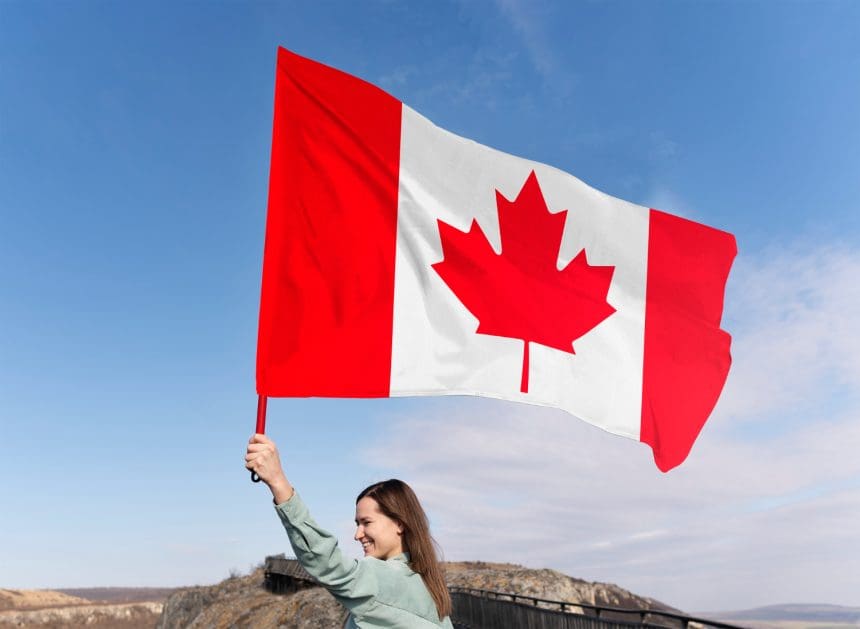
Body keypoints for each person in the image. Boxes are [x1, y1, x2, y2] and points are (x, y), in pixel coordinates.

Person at [245, 434, 454, 629]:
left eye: (366, 522)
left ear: (400, 523)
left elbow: (328, 564)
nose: (357, 534)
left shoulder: (387, 579)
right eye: (357, 524)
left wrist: (278, 482)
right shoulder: (431, 591)